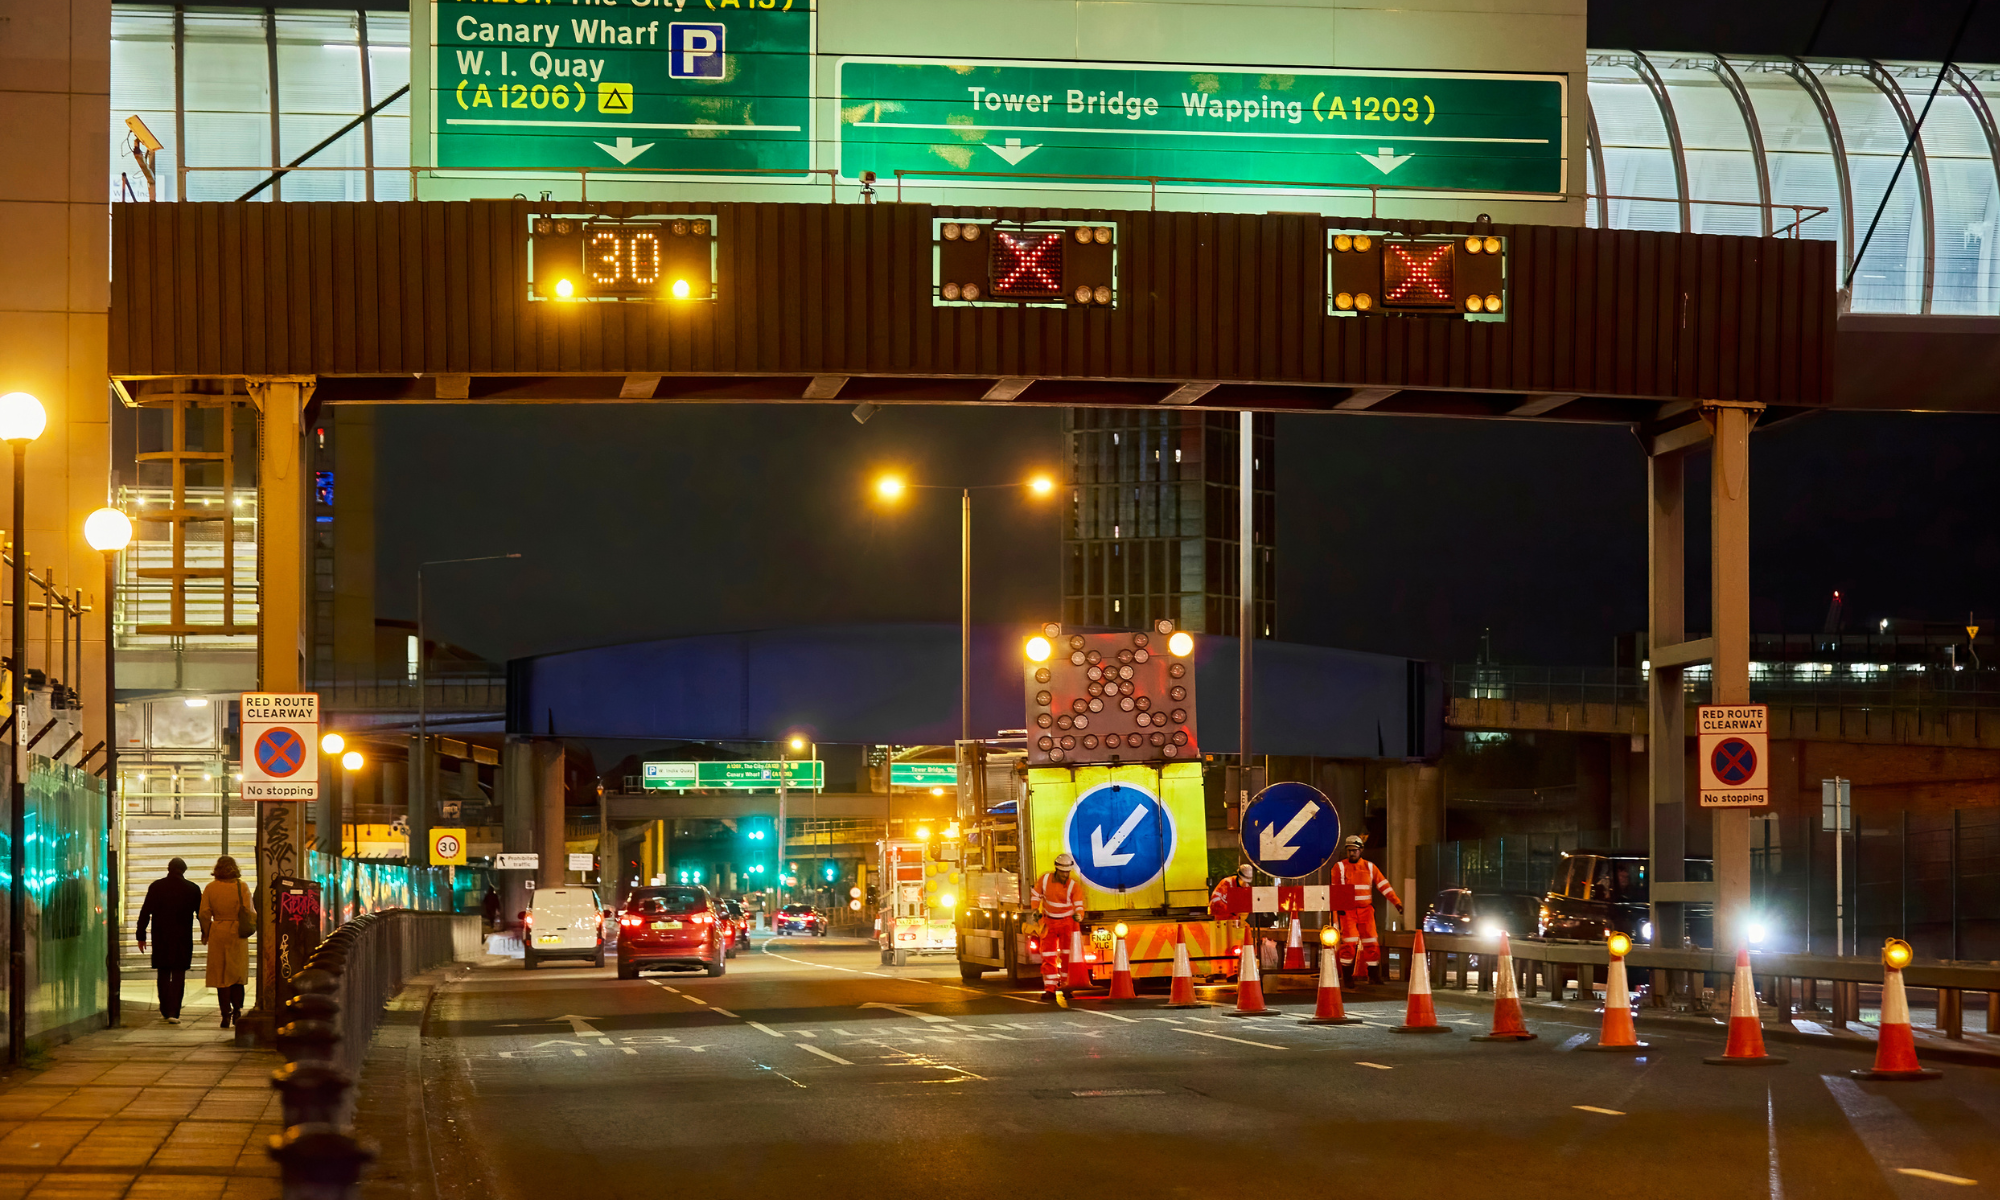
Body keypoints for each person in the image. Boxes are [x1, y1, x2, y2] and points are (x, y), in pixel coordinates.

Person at [135, 857, 201, 1025]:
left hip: (161, 936)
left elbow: (145, 912)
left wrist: (141, 935)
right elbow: (201, 914)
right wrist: (206, 932)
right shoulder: (192, 889)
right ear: (184, 870)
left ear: (169, 869)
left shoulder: (156, 887)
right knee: (179, 974)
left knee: (163, 972)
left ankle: (165, 1009)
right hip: (182, 937)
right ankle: (174, 1011)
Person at [1330, 836, 1401, 983]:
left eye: (1354, 850)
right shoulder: (1339, 867)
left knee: (1371, 942)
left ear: (1361, 850)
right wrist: (1339, 909)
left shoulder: (1370, 867)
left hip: (1366, 911)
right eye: (1349, 850)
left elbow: (1384, 886)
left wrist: (1397, 903)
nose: (1351, 853)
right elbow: (1335, 890)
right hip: (1348, 911)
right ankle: (1347, 977)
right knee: (1349, 943)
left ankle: (1373, 976)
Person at [198, 855, 253, 1028]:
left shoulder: (211, 887)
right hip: (237, 933)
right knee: (237, 974)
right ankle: (237, 1011)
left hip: (218, 932)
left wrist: (206, 931)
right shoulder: (242, 886)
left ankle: (225, 1014)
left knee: (221, 975)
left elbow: (204, 913)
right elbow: (250, 911)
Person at [1030, 852, 1085, 999]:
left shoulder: (1073, 886)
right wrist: (1035, 909)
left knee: (1067, 956)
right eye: (1062, 872)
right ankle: (1050, 989)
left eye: (1067, 872)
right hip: (1049, 922)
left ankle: (1066, 987)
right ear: (1057, 870)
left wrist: (1079, 915)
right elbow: (1036, 895)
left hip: (1067, 923)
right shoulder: (1045, 880)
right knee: (1048, 956)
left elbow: (1079, 905)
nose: (1065, 875)